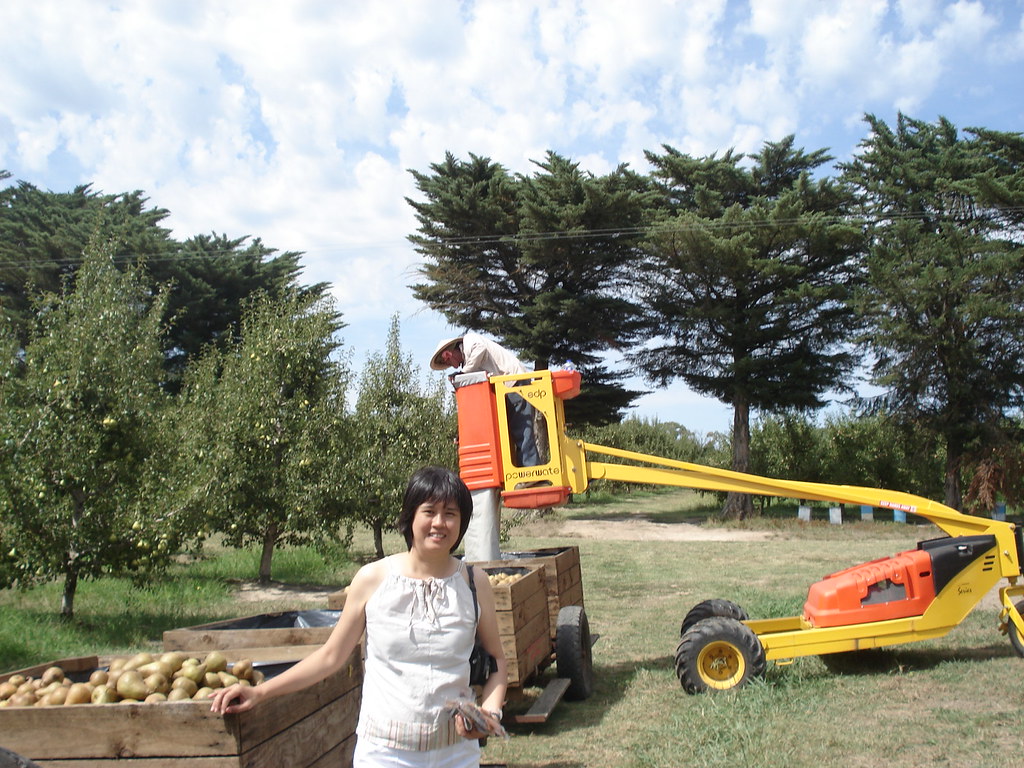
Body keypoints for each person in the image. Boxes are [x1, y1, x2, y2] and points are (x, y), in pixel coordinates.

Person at [210, 466, 508, 768]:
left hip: (455, 753)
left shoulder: (473, 583)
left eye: (451, 514)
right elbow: (331, 656)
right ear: (410, 517)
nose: (439, 523)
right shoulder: (373, 578)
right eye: (429, 511)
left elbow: (497, 661)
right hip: (387, 752)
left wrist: (490, 713)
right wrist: (260, 692)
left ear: (462, 521)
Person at [430, 332, 541, 467]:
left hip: (514, 381)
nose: (454, 367)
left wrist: (463, 374)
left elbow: (480, 349)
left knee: (522, 429)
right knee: (507, 433)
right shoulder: (470, 361)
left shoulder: (470, 340)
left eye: (449, 363)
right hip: (506, 387)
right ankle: (522, 471)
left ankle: (531, 470)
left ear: (448, 354)